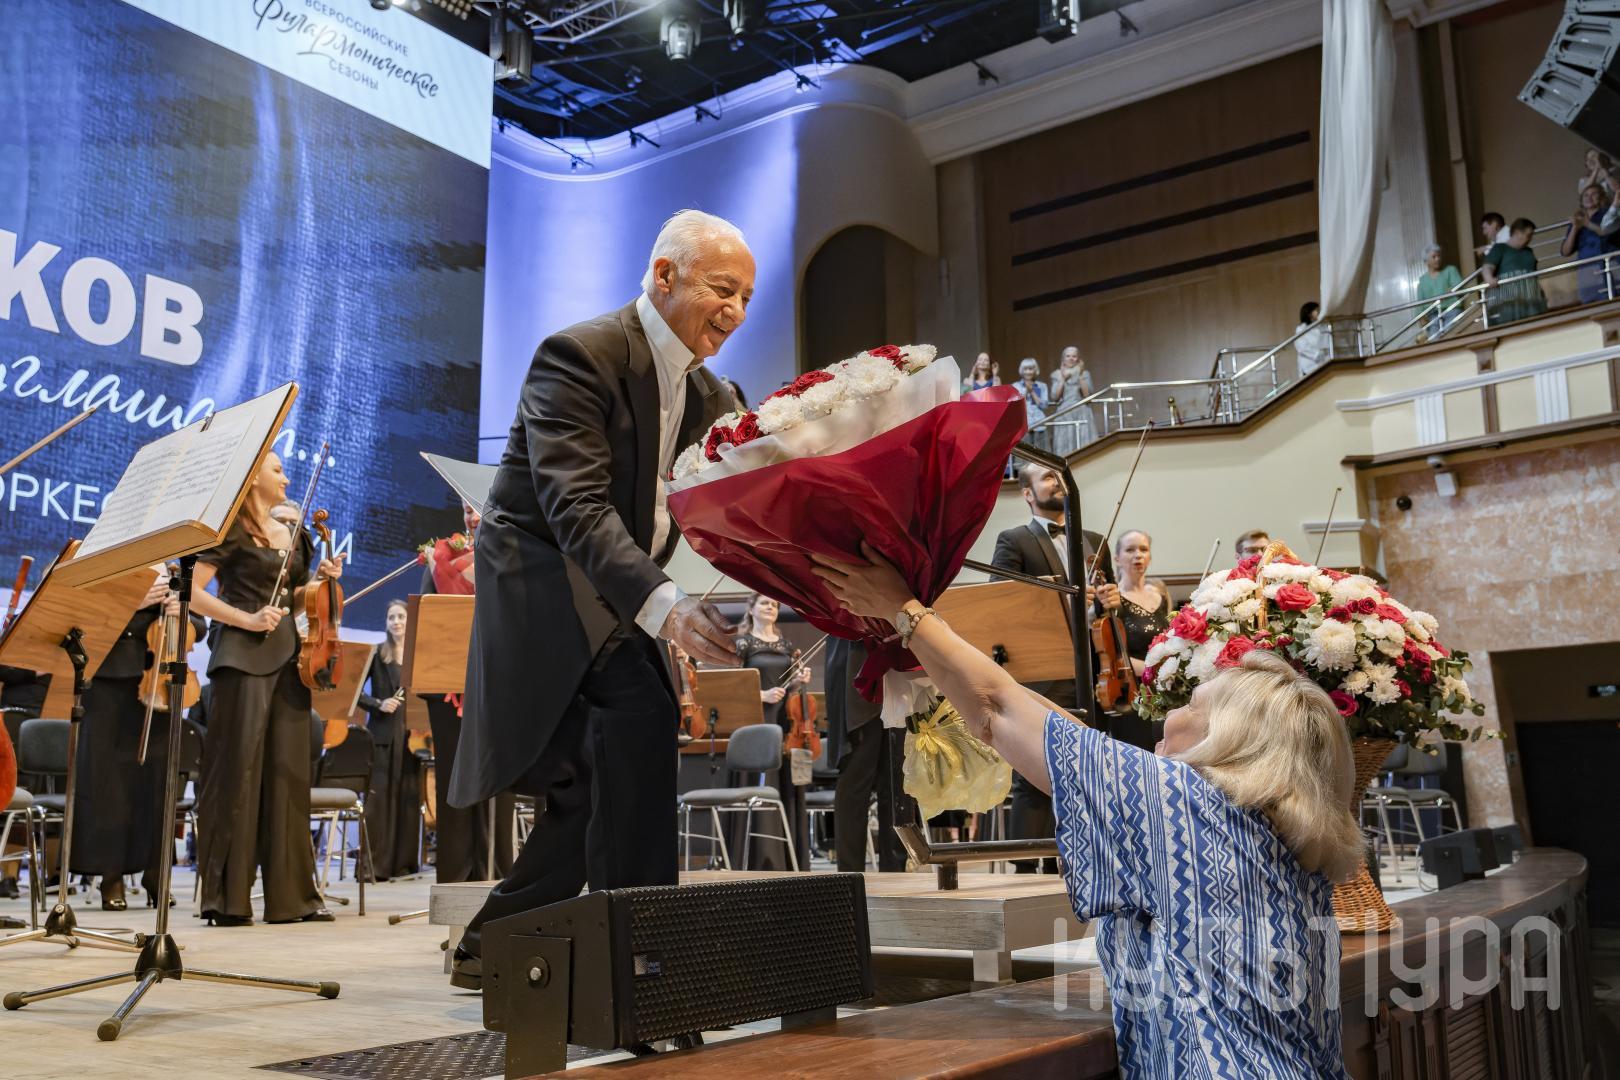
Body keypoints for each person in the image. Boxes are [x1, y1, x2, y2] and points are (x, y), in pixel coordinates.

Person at [812, 544, 1362, 1079]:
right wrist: (923, 635)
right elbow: (1056, 727)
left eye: (1192, 705)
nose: (1169, 715)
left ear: (1230, 739)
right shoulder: (1271, 829)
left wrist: (903, 610)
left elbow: (997, 707)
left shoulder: (1184, 801)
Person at [451, 210, 744, 988]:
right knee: (632, 730)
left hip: (616, 594)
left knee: (589, 783)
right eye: (723, 289)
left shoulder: (713, 394)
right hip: (549, 589)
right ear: (664, 275)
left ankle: (496, 945)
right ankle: (640, 961)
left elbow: (735, 501)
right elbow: (575, 507)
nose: (737, 311)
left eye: (747, 297)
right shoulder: (581, 354)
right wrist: (667, 607)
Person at [187, 451, 342, 926]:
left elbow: (295, 595)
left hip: (290, 660)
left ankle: (292, 899)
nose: (286, 478)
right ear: (253, 476)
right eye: (277, 470)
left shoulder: (295, 536)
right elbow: (190, 591)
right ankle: (227, 900)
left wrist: (320, 581)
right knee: (237, 774)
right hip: (241, 658)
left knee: (288, 776)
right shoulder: (229, 530)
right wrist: (246, 618)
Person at [989, 462, 1117, 872]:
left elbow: (1108, 615)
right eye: (1046, 477)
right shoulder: (1014, 540)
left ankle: (1083, 867)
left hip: (1096, 674)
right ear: (1027, 493)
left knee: (1089, 772)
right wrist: (1061, 598)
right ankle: (1026, 870)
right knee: (1036, 771)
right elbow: (1002, 603)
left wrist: (1110, 603)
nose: (1057, 482)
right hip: (1045, 673)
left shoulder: (1094, 541)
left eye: (1059, 476)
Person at [70, 567, 201, 909]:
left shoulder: (174, 568)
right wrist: (134, 602)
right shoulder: (112, 566)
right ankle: (111, 877)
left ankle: (156, 875)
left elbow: (200, 627)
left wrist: (182, 610)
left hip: (161, 680)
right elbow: (81, 617)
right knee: (110, 785)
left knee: (157, 784)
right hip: (110, 679)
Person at [417, 500, 512, 886]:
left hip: (500, 686)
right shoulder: (439, 558)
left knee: (498, 782)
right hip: (447, 689)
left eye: (477, 508)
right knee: (454, 783)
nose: (471, 517)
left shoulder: (512, 551)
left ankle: (498, 877)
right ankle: (455, 881)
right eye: (465, 510)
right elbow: (428, 619)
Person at [732, 593, 813, 869]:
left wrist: (799, 681)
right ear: (751, 609)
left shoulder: (786, 645)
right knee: (758, 782)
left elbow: (790, 688)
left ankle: (786, 860)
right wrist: (761, 695)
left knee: (783, 784)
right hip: (755, 719)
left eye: (775, 604)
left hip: (784, 722)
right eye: (765, 603)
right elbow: (732, 685)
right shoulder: (743, 643)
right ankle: (757, 859)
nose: (771, 607)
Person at [824, 638, 906, 873]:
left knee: (897, 787)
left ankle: (896, 872)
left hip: (894, 681)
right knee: (854, 785)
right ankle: (849, 874)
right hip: (856, 677)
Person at [355, 598, 421, 881]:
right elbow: (355, 691)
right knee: (378, 803)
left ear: (409, 621)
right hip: (382, 736)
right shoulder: (377, 653)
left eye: (401, 617)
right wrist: (378, 704)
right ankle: (374, 867)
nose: (396, 622)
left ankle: (403, 865)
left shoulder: (417, 657)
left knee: (407, 800)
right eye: (391, 617)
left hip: (412, 738)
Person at [1108, 530, 1171, 751]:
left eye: (1143, 549)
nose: (1138, 555)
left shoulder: (1160, 597)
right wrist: (1155, 668)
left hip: (1164, 689)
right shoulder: (1113, 601)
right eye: (1130, 549)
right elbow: (1116, 656)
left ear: (1150, 557)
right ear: (1117, 558)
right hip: (1132, 693)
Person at [1482, 218, 1547, 325]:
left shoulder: (1529, 251)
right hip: (1507, 302)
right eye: (1528, 235)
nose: (1530, 239)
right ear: (1517, 233)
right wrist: (1489, 278)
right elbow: (1487, 267)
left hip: (1531, 299)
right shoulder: (1500, 248)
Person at [1562, 184, 1618, 304]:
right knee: (1591, 304)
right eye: (1586, 195)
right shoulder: (1578, 219)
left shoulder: (1608, 214)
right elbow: (1565, 251)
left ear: (1601, 197)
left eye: (1594, 194)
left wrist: (1587, 224)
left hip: (1609, 266)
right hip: (1587, 271)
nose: (1589, 198)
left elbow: (1608, 233)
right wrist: (1575, 227)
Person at [1049, 345, 1094, 454]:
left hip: (1082, 412)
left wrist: (1080, 375)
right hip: (1064, 413)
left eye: (1074, 356)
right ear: (1063, 358)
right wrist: (1063, 379)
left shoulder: (1085, 373)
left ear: (1078, 359)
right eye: (1068, 356)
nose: (1071, 358)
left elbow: (1087, 395)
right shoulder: (1056, 374)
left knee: (1084, 446)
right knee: (1065, 447)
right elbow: (1055, 397)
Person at [1416, 244, 1463, 340]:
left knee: (1450, 337)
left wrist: (1450, 292)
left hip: (1452, 309)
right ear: (1426, 261)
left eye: (1439, 256)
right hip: (1433, 314)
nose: (1437, 259)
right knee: (1434, 339)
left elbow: (1458, 286)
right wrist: (1420, 317)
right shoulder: (1423, 280)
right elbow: (1420, 302)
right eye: (1434, 257)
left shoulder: (1450, 270)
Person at [1013, 358, 1048, 450]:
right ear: (1022, 370)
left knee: (1040, 453)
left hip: (1039, 423)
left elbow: (1044, 405)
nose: (1028, 372)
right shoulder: (1016, 386)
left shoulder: (1042, 386)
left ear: (1035, 370)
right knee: (1024, 453)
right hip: (1023, 425)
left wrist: (1032, 391)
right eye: (1025, 369)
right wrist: (1026, 391)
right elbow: (1016, 406)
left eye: (1030, 369)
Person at [1294, 302, 1329, 378]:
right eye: (1316, 310)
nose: (1319, 312)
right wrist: (1318, 354)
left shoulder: (1322, 326)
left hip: (1323, 364)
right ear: (1309, 313)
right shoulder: (1301, 328)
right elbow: (1302, 347)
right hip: (1309, 366)